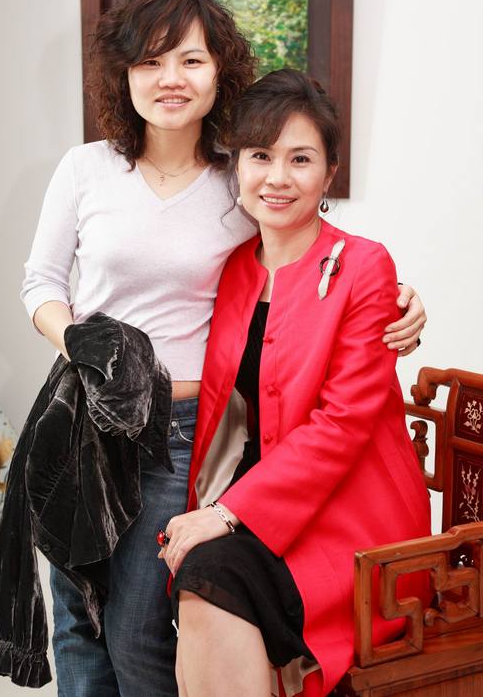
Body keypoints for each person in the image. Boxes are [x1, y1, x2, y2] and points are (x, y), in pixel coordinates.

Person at [21, 0, 425, 696]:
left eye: (190, 60)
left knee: (139, 627)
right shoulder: (87, 168)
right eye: (149, 62)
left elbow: (308, 258)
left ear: (219, 73)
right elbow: (42, 283)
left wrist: (399, 301)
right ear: (123, 75)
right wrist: (81, 344)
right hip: (86, 416)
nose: (169, 79)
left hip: (179, 431)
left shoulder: (233, 181)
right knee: (77, 618)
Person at [165, 69, 432, 697]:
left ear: (329, 172)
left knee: (211, 576)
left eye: (301, 159)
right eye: (260, 156)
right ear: (237, 165)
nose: (277, 178)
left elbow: (342, 424)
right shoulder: (233, 268)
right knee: (200, 577)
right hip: (261, 506)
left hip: (353, 519)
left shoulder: (365, 265)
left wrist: (225, 513)